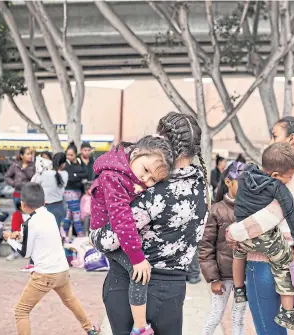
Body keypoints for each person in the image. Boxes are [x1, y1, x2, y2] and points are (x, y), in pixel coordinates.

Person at [91, 112, 208, 335]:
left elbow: (108, 241)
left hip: (132, 285)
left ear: (161, 141)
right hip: (174, 291)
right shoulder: (202, 186)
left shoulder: (153, 187)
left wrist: (93, 235)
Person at [227, 116, 294, 335]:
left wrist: (234, 232)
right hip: (275, 255)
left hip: (265, 258)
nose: (270, 141)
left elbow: (271, 215)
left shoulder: (293, 172)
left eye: (275, 136)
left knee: (267, 329)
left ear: (291, 139)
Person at [90, 135, 174, 335]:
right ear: (135, 154)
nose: (146, 180)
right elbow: (122, 219)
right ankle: (140, 328)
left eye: (153, 179)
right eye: (145, 171)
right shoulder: (112, 177)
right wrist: (137, 258)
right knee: (139, 273)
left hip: (112, 234)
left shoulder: (126, 172)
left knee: (132, 272)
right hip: (103, 235)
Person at [4, 183, 99, 335]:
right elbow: (39, 237)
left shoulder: (30, 223)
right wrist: (19, 236)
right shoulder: (49, 216)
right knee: (70, 301)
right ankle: (90, 329)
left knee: (21, 311)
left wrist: (9, 239)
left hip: (44, 275)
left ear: (22, 204)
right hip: (61, 270)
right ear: (44, 202)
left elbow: (25, 253)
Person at [199, 161, 247, 335]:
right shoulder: (216, 210)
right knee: (215, 316)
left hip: (245, 276)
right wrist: (213, 278)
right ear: (228, 182)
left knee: (239, 317)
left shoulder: (251, 210)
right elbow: (205, 246)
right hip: (223, 275)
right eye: (242, 182)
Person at [31, 153, 68, 231]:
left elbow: (33, 183)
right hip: (59, 206)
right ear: (63, 164)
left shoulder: (44, 174)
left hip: (45, 206)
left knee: (43, 231)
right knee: (55, 231)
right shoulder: (65, 174)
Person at [63, 142, 88, 238]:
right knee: (76, 214)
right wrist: (78, 176)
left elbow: (85, 174)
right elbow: (70, 178)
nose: (69, 156)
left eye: (71, 155)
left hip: (78, 192)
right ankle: (81, 234)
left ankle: (63, 234)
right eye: (67, 154)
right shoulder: (65, 164)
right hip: (69, 192)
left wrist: (76, 175)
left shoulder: (79, 162)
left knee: (69, 215)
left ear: (75, 154)